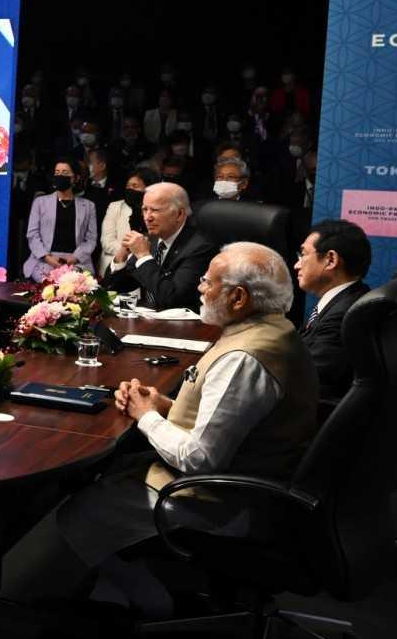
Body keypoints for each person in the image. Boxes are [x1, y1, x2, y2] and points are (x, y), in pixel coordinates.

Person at [45, 243, 318, 616]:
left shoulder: (243, 357)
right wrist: (166, 406)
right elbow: (234, 418)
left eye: (207, 281)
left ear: (238, 297)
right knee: (107, 471)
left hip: (219, 503)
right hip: (254, 479)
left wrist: (146, 416)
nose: (201, 288)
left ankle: (147, 603)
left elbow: (200, 459)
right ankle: (112, 590)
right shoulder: (272, 330)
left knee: (77, 508)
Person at [293, 219, 373, 408]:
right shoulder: (352, 296)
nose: (297, 265)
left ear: (330, 260)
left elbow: (305, 379)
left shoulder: (343, 316)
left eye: (303, 254)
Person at [106, 181, 215, 310]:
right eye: (145, 210)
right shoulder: (150, 240)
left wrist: (143, 255)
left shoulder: (200, 247)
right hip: (148, 321)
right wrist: (121, 257)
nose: (147, 217)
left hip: (183, 326)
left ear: (179, 214)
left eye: (155, 210)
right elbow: (116, 287)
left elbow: (172, 299)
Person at [24, 159, 100, 279]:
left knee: (73, 286)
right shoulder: (40, 202)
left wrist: (75, 258)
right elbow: (32, 234)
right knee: (49, 286)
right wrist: (47, 257)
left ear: (75, 178)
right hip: (45, 260)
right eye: (57, 172)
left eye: (65, 173)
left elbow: (91, 238)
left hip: (76, 261)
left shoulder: (88, 206)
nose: (60, 176)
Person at [99, 167, 153, 278]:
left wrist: (141, 256)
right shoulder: (115, 207)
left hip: (144, 267)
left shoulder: (152, 210)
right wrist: (133, 252)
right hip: (115, 265)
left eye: (135, 186)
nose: (130, 189)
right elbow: (107, 242)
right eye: (128, 186)